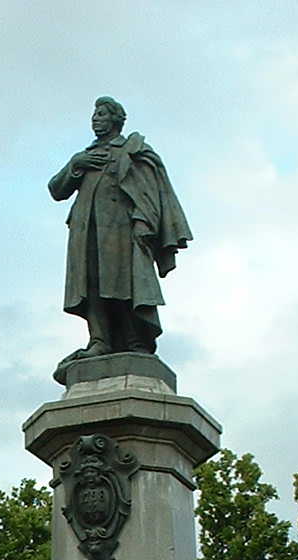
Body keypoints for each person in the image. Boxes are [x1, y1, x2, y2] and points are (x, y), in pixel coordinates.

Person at [49, 96, 192, 362]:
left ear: (115, 119)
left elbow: (149, 192)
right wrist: (76, 164)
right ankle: (99, 340)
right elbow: (56, 190)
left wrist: (143, 222)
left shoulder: (132, 150)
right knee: (91, 284)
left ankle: (134, 339)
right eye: (94, 115)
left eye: (102, 114)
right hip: (86, 231)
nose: (95, 119)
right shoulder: (85, 156)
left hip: (120, 230)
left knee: (124, 283)